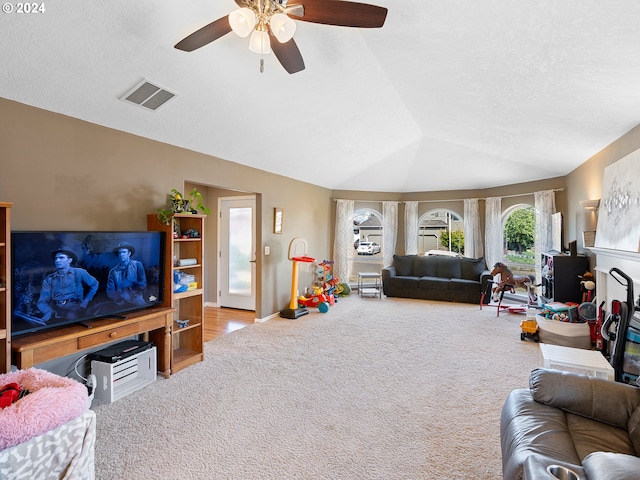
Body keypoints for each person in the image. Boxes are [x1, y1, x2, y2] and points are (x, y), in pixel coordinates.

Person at [37, 246, 99, 322]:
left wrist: (86, 301)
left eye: (61, 258)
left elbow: (95, 284)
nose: (57, 260)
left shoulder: (79, 273)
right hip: (56, 309)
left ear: (69, 260)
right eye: (56, 258)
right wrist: (49, 312)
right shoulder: (49, 279)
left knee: (70, 319)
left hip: (75, 307)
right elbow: (42, 301)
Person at [106, 242, 147, 306]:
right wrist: (119, 296)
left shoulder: (137, 265)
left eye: (124, 252)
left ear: (129, 253)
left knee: (145, 310)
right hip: (120, 301)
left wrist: (131, 283)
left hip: (136, 298)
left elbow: (143, 284)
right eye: (119, 253)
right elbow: (110, 291)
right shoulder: (113, 272)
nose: (121, 254)